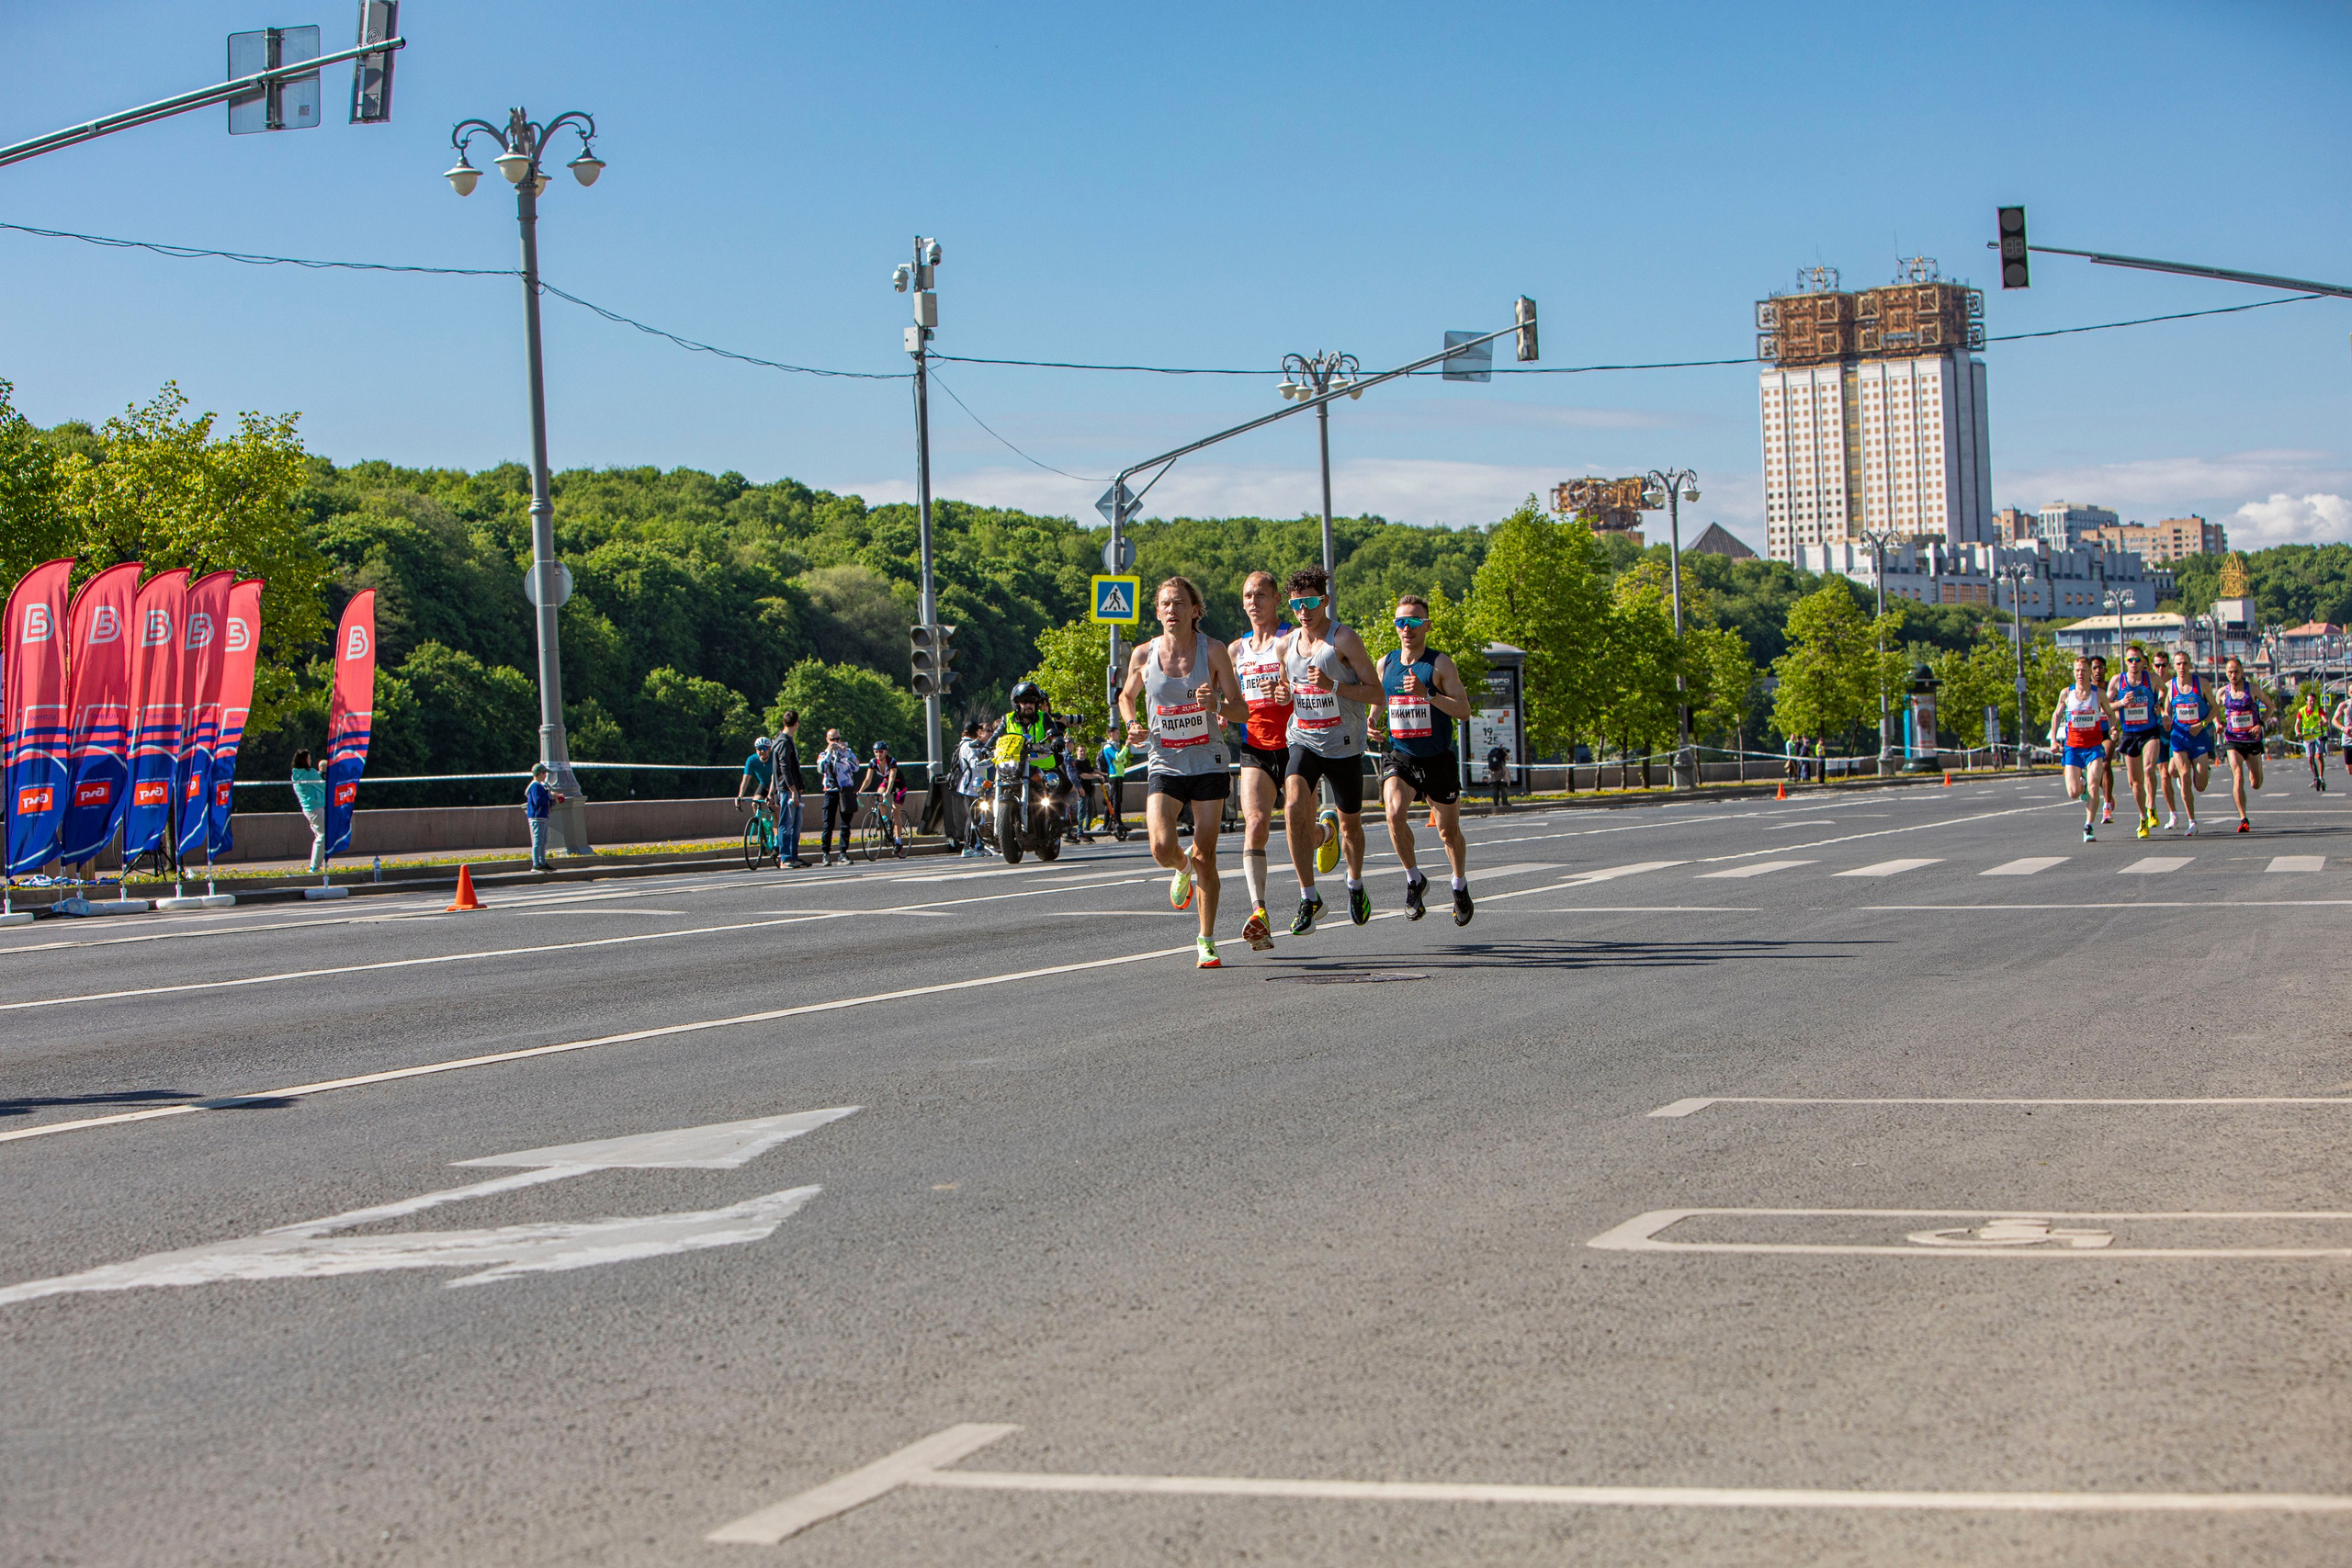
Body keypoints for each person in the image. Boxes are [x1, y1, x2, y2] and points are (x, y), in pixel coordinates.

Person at [1119, 575, 1247, 968]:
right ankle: (1180, 865)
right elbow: (1127, 696)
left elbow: (1241, 710)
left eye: (1179, 604)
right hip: (1165, 761)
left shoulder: (1214, 652)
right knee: (1160, 846)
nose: (1171, 610)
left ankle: (1206, 939)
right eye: (1165, 604)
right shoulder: (1143, 654)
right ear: (1157, 612)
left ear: (1195, 611)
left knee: (1207, 856)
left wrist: (1217, 706)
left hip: (1207, 760)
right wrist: (1131, 725)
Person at [1268, 567, 1380, 934]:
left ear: (1325, 601)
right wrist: (1283, 695)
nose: (1304, 610)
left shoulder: (1344, 640)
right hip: (1303, 738)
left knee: (1350, 826)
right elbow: (1286, 687)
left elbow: (1377, 694)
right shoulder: (1286, 644)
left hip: (1344, 743)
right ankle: (1308, 895)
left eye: (1311, 601)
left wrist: (1334, 687)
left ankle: (1355, 883)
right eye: (1297, 603)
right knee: (1294, 806)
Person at [1377, 593, 1476, 925]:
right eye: (1401, 622)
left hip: (1436, 759)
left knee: (1448, 833)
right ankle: (1414, 879)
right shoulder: (1386, 663)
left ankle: (1459, 884)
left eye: (1414, 622)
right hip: (1400, 756)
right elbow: (1379, 703)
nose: (1407, 628)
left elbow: (1464, 711)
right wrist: (1371, 723)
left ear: (1427, 626)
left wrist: (1428, 695)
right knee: (1393, 813)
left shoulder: (1439, 664)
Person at [1227, 570, 1293, 952]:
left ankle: (1325, 833)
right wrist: (1225, 711)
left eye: (1261, 596)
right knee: (1255, 823)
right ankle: (1260, 913)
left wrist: (1287, 692)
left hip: (1298, 744)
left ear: (1276, 600)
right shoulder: (1237, 650)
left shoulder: (1290, 639)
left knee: (1299, 826)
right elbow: (1233, 699)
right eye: (1248, 596)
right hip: (1255, 746)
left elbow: (1312, 686)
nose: (1254, 602)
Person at [2050, 655, 2116, 842]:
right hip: (2073, 747)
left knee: (2096, 785)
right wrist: (2053, 739)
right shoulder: (2066, 693)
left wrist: (2113, 729)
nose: (2080, 674)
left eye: (2084, 670)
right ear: (2074, 672)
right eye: (2077, 670)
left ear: (2089, 673)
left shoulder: (2098, 694)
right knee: (2073, 793)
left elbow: (2110, 714)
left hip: (2094, 747)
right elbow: (2056, 714)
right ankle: (2082, 785)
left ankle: (2089, 826)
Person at [2109, 648, 2165, 840]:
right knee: (2135, 782)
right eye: (2130, 659)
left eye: (2137, 659)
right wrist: (2121, 702)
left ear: (2143, 663)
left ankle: (2151, 807)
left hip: (2149, 732)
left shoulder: (2152, 678)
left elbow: (2164, 690)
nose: (2134, 663)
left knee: (2149, 769)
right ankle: (2143, 818)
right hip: (2130, 735)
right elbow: (2106, 705)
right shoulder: (2118, 681)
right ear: (2126, 662)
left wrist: (2159, 703)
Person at [2217, 656, 2267, 831]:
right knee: (2237, 775)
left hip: (2252, 740)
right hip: (2232, 740)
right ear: (2226, 673)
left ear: (2242, 672)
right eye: (2230, 672)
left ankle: (2258, 771)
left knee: (2256, 783)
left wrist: (2260, 724)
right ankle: (2243, 818)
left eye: (2236, 671)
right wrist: (2217, 723)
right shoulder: (2223, 692)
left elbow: (2271, 706)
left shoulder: (2251, 689)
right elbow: (2215, 709)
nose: (2233, 675)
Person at [2165, 660, 2213, 836]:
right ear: (2174, 666)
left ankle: (2205, 769)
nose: (2182, 667)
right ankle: (2192, 821)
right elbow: (2166, 710)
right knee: (2184, 776)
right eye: (2178, 663)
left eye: (2185, 663)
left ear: (2190, 665)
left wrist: (2203, 723)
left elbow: (2215, 708)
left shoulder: (2201, 684)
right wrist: (2165, 717)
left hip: (2198, 735)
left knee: (2200, 786)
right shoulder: (2170, 686)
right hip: (2179, 738)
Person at [2146, 650, 2181, 829]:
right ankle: (2173, 813)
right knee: (2164, 774)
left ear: (2169, 666)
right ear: (2153, 666)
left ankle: (2182, 774)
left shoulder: (2176, 683)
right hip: (2158, 732)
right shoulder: (2149, 684)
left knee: (2175, 771)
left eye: (2164, 665)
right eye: (2157, 665)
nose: (2160, 668)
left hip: (2177, 732)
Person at [817, 728, 861, 864]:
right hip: (830, 791)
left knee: (845, 825)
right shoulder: (823, 755)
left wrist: (844, 753)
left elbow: (856, 767)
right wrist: (830, 752)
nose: (836, 742)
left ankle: (843, 853)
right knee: (827, 824)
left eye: (838, 739)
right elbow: (821, 769)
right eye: (832, 740)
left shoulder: (848, 753)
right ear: (827, 740)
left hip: (845, 791)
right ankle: (826, 854)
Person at [772, 710, 809, 867]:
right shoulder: (784, 742)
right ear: (796, 723)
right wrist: (793, 790)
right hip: (787, 789)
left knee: (795, 824)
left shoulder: (783, 740)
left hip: (793, 789)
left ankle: (793, 856)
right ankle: (785, 857)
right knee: (786, 824)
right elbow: (784, 769)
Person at [735, 736, 778, 864]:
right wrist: (739, 796)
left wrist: (770, 795)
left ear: (769, 749)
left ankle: (776, 840)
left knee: (775, 810)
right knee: (755, 802)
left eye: (764, 748)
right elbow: (746, 779)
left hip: (775, 785)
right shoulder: (752, 760)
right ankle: (761, 826)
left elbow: (774, 779)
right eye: (759, 749)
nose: (762, 751)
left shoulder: (774, 758)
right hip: (763, 785)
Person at [862, 742, 909, 853]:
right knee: (879, 796)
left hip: (898, 785)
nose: (878, 754)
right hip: (886, 783)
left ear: (886, 752)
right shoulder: (873, 762)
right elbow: (868, 779)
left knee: (896, 811)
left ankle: (898, 841)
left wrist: (888, 792)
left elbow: (892, 778)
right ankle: (884, 820)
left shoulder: (891, 762)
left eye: (881, 752)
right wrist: (860, 791)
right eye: (876, 752)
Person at [954, 720, 989, 857]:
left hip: (971, 785)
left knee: (976, 816)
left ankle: (975, 846)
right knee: (973, 817)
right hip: (971, 785)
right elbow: (974, 764)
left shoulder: (964, 744)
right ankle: (968, 847)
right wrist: (990, 763)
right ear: (975, 732)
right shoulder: (970, 745)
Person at [523, 761, 565, 871]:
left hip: (542, 816)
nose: (546, 775)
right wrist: (549, 796)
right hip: (537, 816)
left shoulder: (540, 786)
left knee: (543, 840)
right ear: (540, 773)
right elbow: (538, 801)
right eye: (544, 773)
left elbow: (544, 801)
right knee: (538, 840)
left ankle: (542, 862)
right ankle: (536, 864)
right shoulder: (536, 786)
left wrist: (554, 798)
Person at [290, 749, 326, 873]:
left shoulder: (295, 774)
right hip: (315, 808)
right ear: (304, 760)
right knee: (323, 836)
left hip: (307, 809)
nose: (310, 761)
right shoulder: (310, 773)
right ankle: (315, 867)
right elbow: (323, 786)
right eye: (309, 758)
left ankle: (316, 865)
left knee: (320, 835)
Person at [1096, 731, 1132, 839]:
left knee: (1114, 800)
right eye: (1117, 733)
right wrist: (1126, 746)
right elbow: (1119, 758)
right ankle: (1117, 823)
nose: (1119, 735)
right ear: (1110, 734)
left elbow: (1123, 759)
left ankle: (1108, 824)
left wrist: (1122, 755)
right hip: (1114, 775)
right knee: (1115, 800)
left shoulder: (1114, 747)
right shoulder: (1108, 747)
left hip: (1119, 775)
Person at [2296, 688, 2328, 791]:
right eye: (2310, 700)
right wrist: (2298, 732)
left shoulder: (2318, 709)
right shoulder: (2301, 711)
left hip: (2318, 735)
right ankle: (2315, 776)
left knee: (2318, 756)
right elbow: (2297, 724)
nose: (2312, 702)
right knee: (2310, 758)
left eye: (2313, 700)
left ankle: (2321, 777)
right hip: (2307, 736)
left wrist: (2323, 723)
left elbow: (2325, 720)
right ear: (2307, 701)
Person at [1486, 742, 1510, 810]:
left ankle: (1496, 803)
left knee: (1495, 788)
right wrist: (1505, 752)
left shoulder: (1491, 752)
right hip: (1501, 771)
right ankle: (1504, 802)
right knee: (1504, 786)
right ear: (1500, 745)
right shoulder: (1500, 751)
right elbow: (1507, 758)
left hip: (1493, 772)